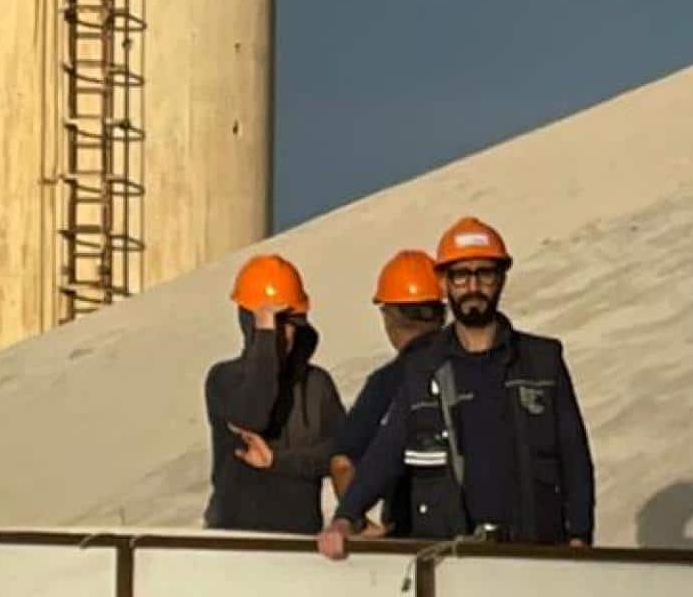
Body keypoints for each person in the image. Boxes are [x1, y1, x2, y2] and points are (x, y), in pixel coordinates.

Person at [319, 214, 594, 554]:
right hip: (448, 561)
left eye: (485, 273)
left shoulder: (542, 362)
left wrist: (580, 536)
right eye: (461, 275)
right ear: (444, 283)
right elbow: (386, 452)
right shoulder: (423, 368)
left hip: (532, 554)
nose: (473, 287)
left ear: (502, 278)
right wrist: (346, 518)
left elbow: (574, 457)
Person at [204, 254, 346, 534]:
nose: (281, 334)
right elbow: (253, 414)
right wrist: (265, 335)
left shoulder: (317, 385)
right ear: (248, 323)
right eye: (272, 323)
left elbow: (341, 454)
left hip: (298, 546)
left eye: (287, 323)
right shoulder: (223, 379)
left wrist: (278, 461)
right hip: (231, 547)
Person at [329, 250, 448, 535]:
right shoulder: (471, 368)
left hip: (408, 534)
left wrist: (361, 525)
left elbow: (343, 466)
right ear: (441, 313)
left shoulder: (385, 383)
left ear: (389, 317)